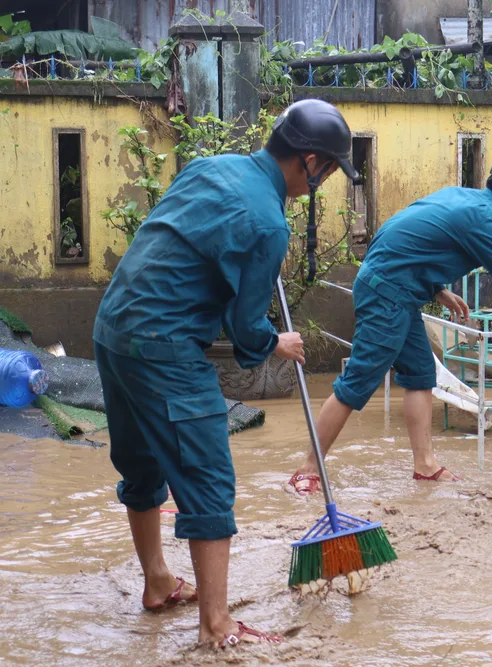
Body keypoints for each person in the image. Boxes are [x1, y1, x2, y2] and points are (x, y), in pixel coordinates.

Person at [93, 99, 361, 647]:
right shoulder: (266, 222)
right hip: (164, 347)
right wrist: (275, 342)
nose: (326, 181)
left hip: (113, 329)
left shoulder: (211, 167)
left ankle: (158, 583)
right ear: (308, 162)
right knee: (210, 481)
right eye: (330, 170)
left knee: (142, 467)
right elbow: (244, 331)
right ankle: (216, 626)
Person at [287, 147, 492, 493]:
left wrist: (437, 290)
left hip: (396, 291)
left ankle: (425, 466)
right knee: (358, 381)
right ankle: (308, 469)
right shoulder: (488, 220)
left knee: (421, 374)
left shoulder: (465, 199)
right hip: (388, 294)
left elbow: (403, 232)